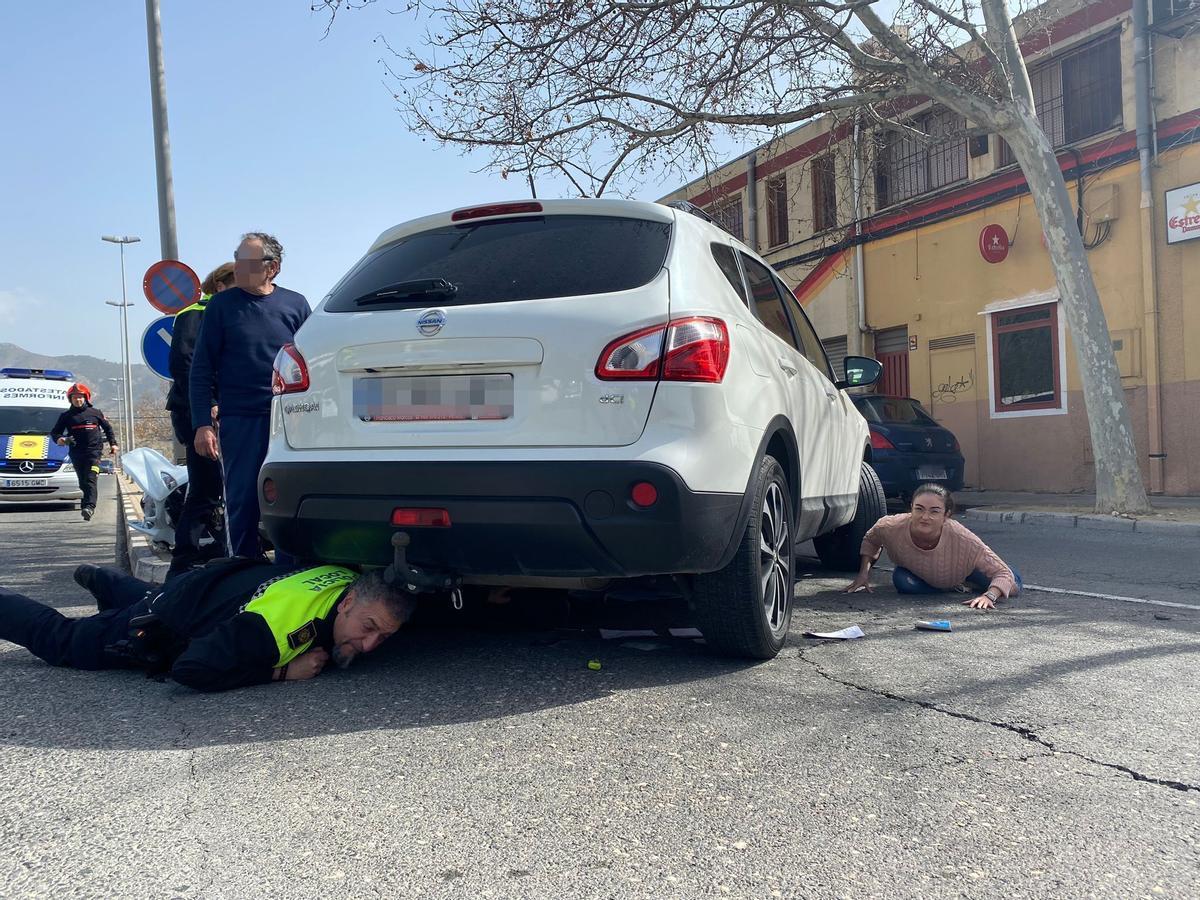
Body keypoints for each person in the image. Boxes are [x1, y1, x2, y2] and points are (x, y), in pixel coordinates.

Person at [0, 561, 415, 692]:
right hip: (167, 618)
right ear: (346, 604)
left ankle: (104, 581)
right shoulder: (273, 631)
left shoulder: (347, 577)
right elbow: (190, 669)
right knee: (63, 640)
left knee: (156, 595)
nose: (371, 644)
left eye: (385, 636)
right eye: (369, 627)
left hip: (206, 587)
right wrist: (282, 672)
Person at [189, 233, 310, 559]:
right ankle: (241, 573)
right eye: (237, 258)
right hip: (241, 419)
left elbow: (311, 361)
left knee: (289, 499)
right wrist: (202, 423)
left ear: (273, 268)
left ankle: (288, 575)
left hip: (290, 419)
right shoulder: (221, 307)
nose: (238, 268)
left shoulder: (296, 305)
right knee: (243, 500)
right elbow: (201, 369)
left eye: (247, 262)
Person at [844, 483, 1022, 610]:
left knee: (1012, 584)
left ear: (946, 515)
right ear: (910, 508)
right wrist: (863, 574)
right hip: (928, 576)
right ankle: (954, 586)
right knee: (902, 581)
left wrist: (989, 596)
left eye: (934, 511)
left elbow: (1003, 573)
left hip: (970, 570)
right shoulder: (890, 526)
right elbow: (871, 539)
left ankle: (964, 584)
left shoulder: (963, 538)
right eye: (919, 509)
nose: (925, 517)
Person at [165, 262, 234, 579]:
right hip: (197, 413)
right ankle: (183, 564)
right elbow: (186, 365)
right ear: (220, 284)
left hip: (224, 411)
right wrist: (211, 405)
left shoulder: (228, 313)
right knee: (206, 487)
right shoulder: (194, 313)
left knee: (226, 487)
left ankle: (221, 553)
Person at [51, 383, 118, 521]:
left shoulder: (95, 413)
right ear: (70, 399)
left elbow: (108, 429)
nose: (78, 400)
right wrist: (62, 439)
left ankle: (89, 507)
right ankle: (85, 506)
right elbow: (55, 433)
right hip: (76, 453)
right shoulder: (66, 416)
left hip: (94, 453)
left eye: (80, 397)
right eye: (75, 398)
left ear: (86, 398)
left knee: (90, 479)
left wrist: (113, 444)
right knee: (82, 482)